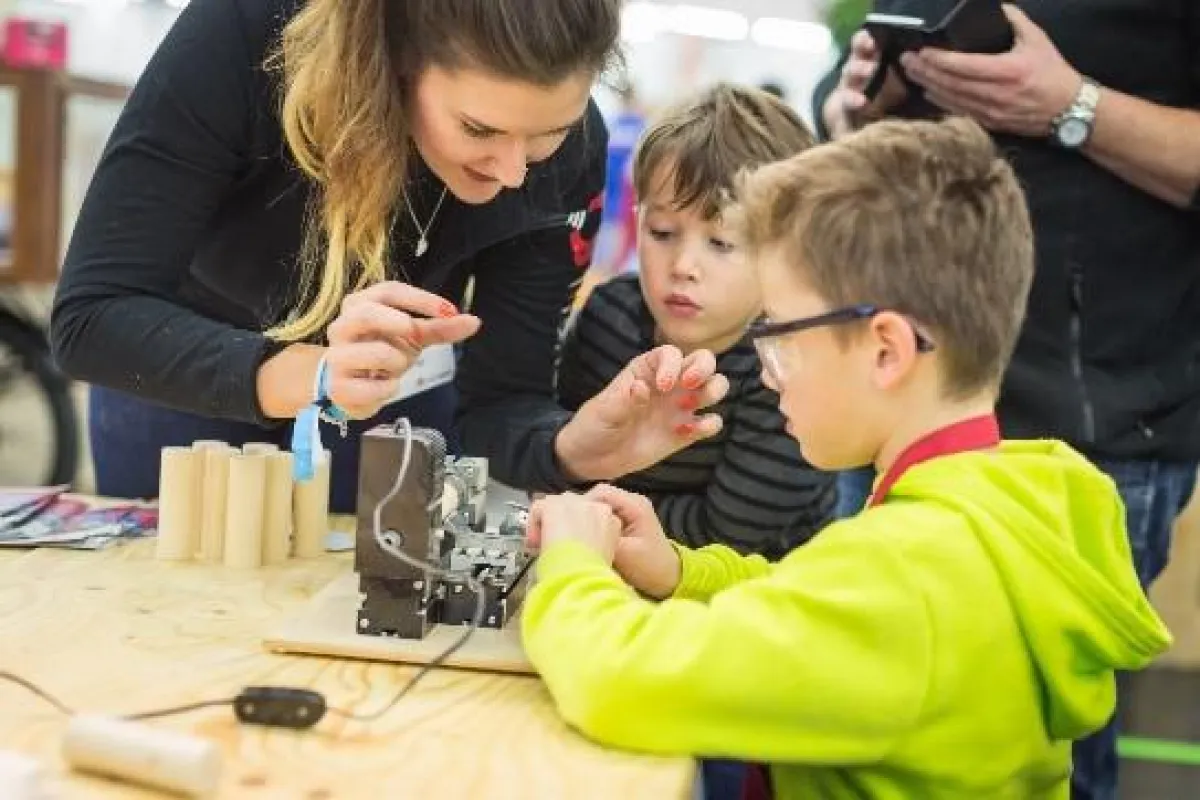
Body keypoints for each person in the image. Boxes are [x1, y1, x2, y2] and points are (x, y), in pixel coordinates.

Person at [519, 116, 1172, 800]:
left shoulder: (907, 578)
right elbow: (819, 609)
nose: (767, 372)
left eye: (780, 335)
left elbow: (623, 682)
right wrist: (681, 570)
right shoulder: (999, 504)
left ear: (886, 350)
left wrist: (571, 562)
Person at [50, 0, 729, 512]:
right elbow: (92, 321)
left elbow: (502, 400)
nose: (516, 172)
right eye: (479, 128)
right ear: (401, 61)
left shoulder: (569, 156)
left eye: (548, 132)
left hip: (392, 413)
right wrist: (315, 378)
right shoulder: (246, 33)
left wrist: (574, 446)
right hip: (186, 382)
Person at [812, 5, 1200, 797]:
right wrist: (855, 104)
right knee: (866, 723)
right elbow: (845, 96)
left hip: (1090, 426)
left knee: (1036, 749)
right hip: (896, 404)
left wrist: (1072, 105)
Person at [557, 83, 835, 559]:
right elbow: (560, 445)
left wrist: (591, 509)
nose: (684, 264)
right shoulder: (609, 315)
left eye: (722, 243)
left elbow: (730, 534)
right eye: (662, 232)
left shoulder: (787, 368)